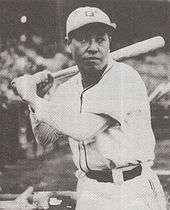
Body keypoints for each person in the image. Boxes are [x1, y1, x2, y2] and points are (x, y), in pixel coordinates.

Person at [12, 6, 166, 210]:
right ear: (68, 44)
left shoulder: (123, 78)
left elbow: (83, 129)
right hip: (90, 189)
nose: (93, 47)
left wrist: (31, 96)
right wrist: (35, 100)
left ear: (109, 42)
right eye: (84, 39)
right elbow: (45, 137)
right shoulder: (69, 88)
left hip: (130, 189)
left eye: (100, 39)